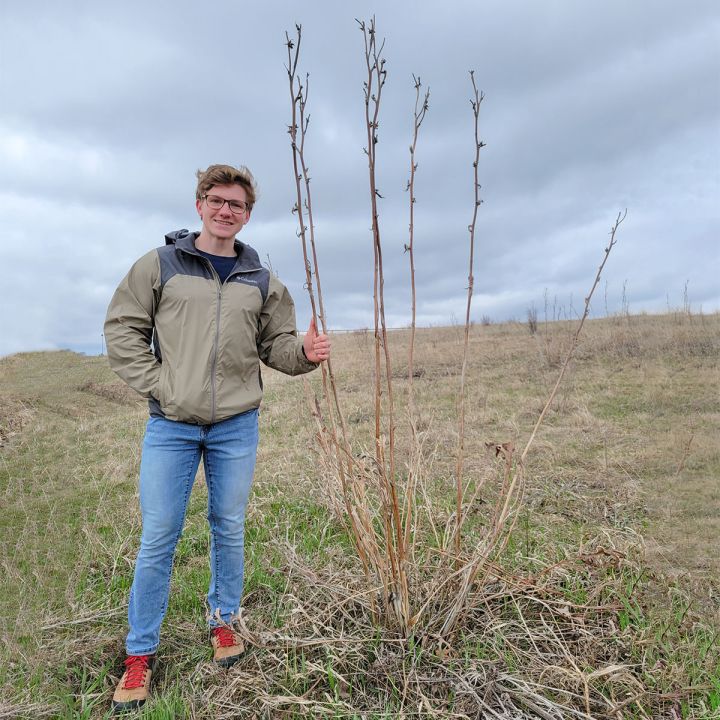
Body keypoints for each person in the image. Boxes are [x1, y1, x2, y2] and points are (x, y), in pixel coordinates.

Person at [104, 164, 330, 713]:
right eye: (216, 199)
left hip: (235, 426)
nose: (226, 210)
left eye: (237, 204)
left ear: (248, 213)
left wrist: (302, 355)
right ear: (200, 203)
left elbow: (274, 346)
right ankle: (140, 654)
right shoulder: (159, 265)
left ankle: (223, 621)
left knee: (227, 526)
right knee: (159, 536)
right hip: (171, 427)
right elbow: (122, 329)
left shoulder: (261, 279)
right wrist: (162, 384)